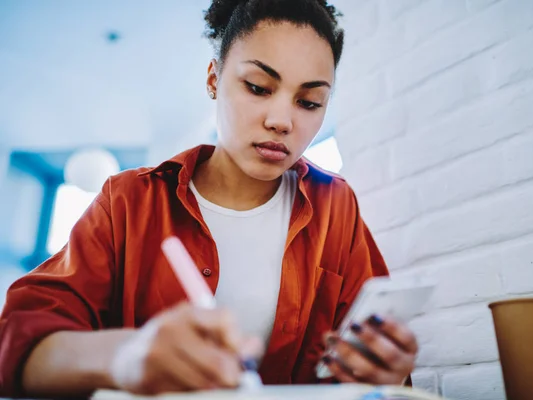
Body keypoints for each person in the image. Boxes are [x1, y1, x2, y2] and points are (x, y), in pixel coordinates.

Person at [0, 0, 418, 397]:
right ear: (214, 79)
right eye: (257, 87)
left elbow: (373, 360)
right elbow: (16, 346)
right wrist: (124, 356)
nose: (281, 121)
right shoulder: (129, 200)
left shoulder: (335, 206)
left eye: (309, 102)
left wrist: (386, 373)